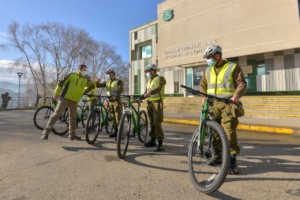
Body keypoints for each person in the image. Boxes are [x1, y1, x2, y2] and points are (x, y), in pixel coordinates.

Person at [200, 45, 247, 174]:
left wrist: (236, 96)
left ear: (217, 55)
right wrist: (203, 96)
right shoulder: (208, 71)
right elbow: (202, 85)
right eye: (207, 58)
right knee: (214, 132)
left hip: (227, 104)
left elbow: (241, 83)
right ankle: (218, 155)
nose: (208, 60)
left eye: (209, 57)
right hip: (213, 104)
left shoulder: (232, 67)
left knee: (229, 131)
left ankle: (232, 160)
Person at [41, 64, 95, 140]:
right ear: (79, 69)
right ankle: (46, 132)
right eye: (84, 70)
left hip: (75, 100)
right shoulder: (72, 75)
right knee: (56, 114)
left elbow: (92, 86)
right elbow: (61, 83)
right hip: (65, 98)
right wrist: (56, 93)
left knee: (73, 118)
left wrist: (90, 80)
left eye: (86, 70)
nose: (85, 72)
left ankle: (72, 135)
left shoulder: (85, 79)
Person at [141, 64, 166, 151]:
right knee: (152, 122)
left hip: (157, 103)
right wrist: (140, 98)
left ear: (153, 71)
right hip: (150, 103)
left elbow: (159, 88)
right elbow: (145, 92)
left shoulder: (160, 78)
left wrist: (150, 93)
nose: (147, 73)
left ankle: (160, 142)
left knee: (157, 122)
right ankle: (152, 140)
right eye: (146, 72)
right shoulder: (149, 81)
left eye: (148, 72)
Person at [96, 68, 124, 138]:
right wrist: (97, 82)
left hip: (117, 101)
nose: (108, 75)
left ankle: (120, 134)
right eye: (107, 74)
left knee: (118, 118)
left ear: (113, 73)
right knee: (113, 117)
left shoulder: (119, 81)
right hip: (110, 101)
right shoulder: (107, 82)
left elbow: (121, 89)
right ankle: (116, 132)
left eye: (109, 73)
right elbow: (98, 86)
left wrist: (115, 93)